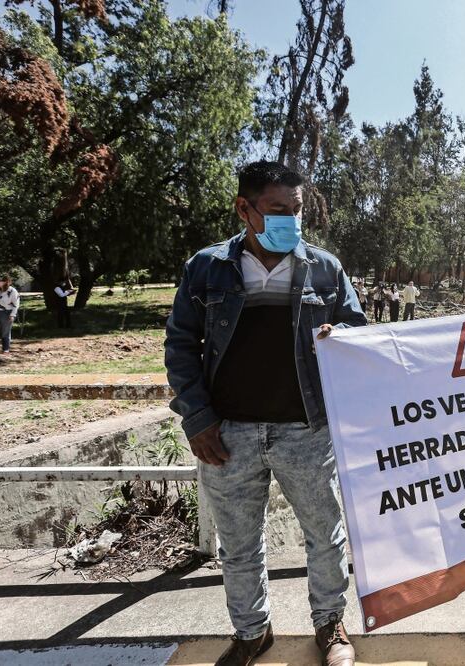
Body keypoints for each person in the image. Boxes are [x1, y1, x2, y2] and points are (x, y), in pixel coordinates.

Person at [165, 161, 365, 666]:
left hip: (306, 431)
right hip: (227, 434)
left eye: (297, 211)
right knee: (238, 544)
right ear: (244, 209)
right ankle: (252, 632)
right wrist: (198, 420)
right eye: (277, 210)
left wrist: (341, 340)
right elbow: (181, 346)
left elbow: (360, 338)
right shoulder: (206, 268)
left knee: (325, 534)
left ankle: (330, 625)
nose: (290, 222)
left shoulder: (325, 268)